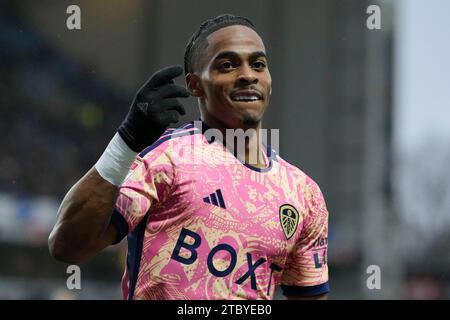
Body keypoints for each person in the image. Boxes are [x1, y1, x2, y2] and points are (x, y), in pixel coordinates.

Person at [49, 14, 329, 300]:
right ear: (195, 85)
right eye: (228, 65)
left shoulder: (304, 194)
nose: (248, 74)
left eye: (258, 64)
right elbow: (67, 246)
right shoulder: (165, 159)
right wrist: (126, 140)